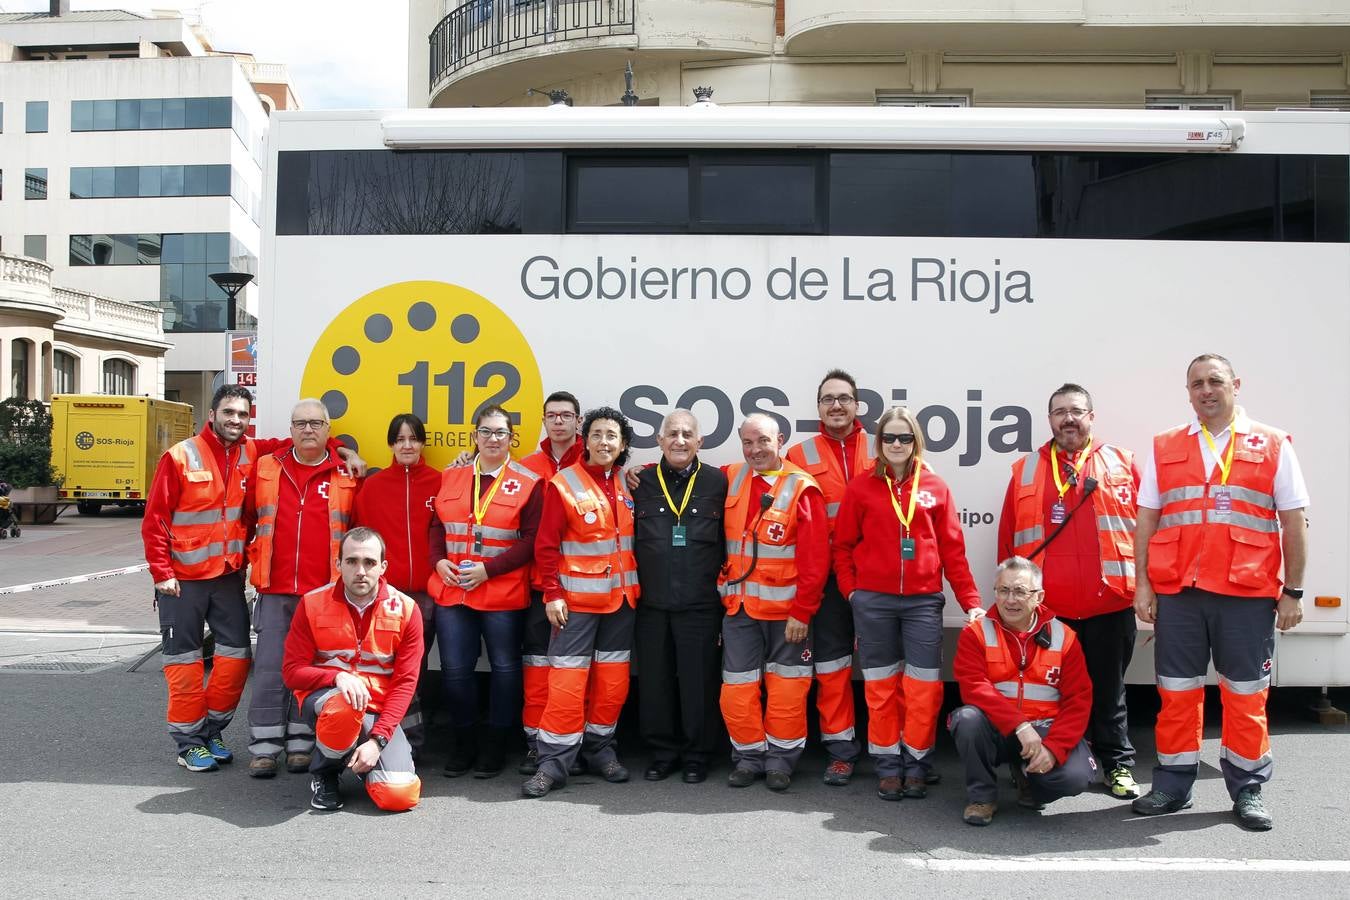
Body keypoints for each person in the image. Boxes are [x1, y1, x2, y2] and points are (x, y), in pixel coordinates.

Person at [1131, 354, 1308, 831]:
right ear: (1187, 392)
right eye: (1196, 384)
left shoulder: (1271, 443)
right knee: (1176, 692)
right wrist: (1143, 584)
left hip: (1247, 592)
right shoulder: (1166, 444)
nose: (1206, 390)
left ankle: (1248, 789)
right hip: (1180, 591)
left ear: (1235, 384)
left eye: (1215, 381)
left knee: (1246, 695)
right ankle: (1172, 784)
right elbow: (1147, 516)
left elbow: (1292, 520)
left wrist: (1292, 591)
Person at [997, 383, 1142, 800]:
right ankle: (1037, 766)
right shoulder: (1025, 470)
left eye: (1076, 410)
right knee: (1045, 697)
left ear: (1091, 417)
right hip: (1047, 611)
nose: (1068, 418)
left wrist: (1150, 590)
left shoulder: (1121, 464)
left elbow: (1147, 531)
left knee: (1108, 692)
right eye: (1059, 411)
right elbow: (1009, 541)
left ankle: (1117, 765)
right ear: (1049, 421)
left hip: (1109, 603)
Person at [834, 407, 983, 801]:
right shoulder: (861, 487)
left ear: (916, 441)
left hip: (921, 604)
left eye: (904, 438)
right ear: (878, 443)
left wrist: (971, 602)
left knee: (924, 689)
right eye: (889, 438)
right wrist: (853, 592)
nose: (896, 445)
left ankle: (917, 763)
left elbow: (953, 551)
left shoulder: (935, 486)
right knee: (881, 689)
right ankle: (887, 766)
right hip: (874, 603)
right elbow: (843, 546)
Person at [522, 406, 641, 798]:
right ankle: (553, 761)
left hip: (622, 603)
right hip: (575, 604)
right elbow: (545, 546)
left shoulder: (628, 482)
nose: (604, 442)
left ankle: (599, 749)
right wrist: (552, 594)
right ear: (584, 440)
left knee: (612, 684)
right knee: (567, 684)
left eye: (612, 436)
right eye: (597, 435)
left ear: (622, 444)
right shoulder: (564, 483)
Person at [141, 385, 258, 772]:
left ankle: (211, 731)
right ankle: (189, 741)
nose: (235, 420)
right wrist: (162, 573)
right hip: (182, 580)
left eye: (242, 414)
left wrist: (341, 445)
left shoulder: (252, 451)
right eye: (228, 412)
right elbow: (155, 520)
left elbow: (301, 437)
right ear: (212, 415)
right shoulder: (180, 456)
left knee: (237, 655)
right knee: (185, 662)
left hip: (226, 576)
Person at [246, 399, 360, 779]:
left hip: (322, 595)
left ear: (329, 429)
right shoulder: (267, 466)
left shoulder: (345, 473)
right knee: (268, 669)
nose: (307, 429)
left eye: (316, 423)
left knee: (310, 671)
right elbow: (249, 520)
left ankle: (301, 741)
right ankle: (264, 747)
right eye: (300, 423)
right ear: (290, 428)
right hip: (275, 590)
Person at [429, 406, 543, 779]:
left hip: (501, 593)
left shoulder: (529, 481)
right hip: (453, 591)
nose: (493, 439)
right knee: (455, 672)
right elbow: (435, 526)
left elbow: (531, 542)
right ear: (474, 436)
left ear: (512, 439)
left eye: (501, 433)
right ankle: (464, 745)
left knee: (506, 670)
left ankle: (495, 746)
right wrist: (437, 561)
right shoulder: (453, 474)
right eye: (486, 432)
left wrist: (487, 570)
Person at [720, 413, 829, 792]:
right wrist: (642, 470)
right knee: (737, 689)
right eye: (747, 443)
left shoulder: (802, 488)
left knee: (787, 689)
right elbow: (684, 470)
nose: (755, 450)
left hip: (787, 615)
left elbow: (816, 560)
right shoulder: (731, 475)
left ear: (780, 440)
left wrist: (803, 611)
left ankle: (782, 761)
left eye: (763, 441)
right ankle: (748, 757)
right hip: (740, 610)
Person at [949, 556, 1098, 826]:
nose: (1010, 600)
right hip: (999, 730)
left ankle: (1030, 779)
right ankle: (982, 797)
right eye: (1003, 590)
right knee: (966, 719)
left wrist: (1053, 749)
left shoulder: (1065, 637)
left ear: (1039, 596)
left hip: (1045, 729)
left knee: (1074, 778)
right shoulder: (976, 633)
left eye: (1020, 591)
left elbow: (1079, 700)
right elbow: (974, 687)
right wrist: (1019, 725)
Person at [282, 527, 423, 812]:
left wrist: (378, 740)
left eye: (369, 562)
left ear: (382, 567)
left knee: (400, 796)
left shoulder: (407, 609)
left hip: (377, 709)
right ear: (338, 565)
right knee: (345, 707)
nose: (361, 570)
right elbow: (292, 672)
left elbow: (405, 683)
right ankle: (325, 773)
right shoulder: (311, 604)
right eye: (352, 561)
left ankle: (362, 760)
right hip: (330, 701)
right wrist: (337, 676)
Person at [632, 409, 728, 784]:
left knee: (698, 683)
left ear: (700, 441)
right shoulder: (639, 481)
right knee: (655, 683)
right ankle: (662, 752)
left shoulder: (717, 482)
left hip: (700, 604)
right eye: (672, 433)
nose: (680, 440)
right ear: (659, 440)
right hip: (652, 604)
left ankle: (697, 755)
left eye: (688, 434)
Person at [785, 369, 866, 785]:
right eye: (828, 399)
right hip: (829, 580)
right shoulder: (799, 456)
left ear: (857, 404)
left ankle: (904, 753)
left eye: (844, 398)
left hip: (879, 577)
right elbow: (751, 472)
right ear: (818, 407)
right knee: (832, 667)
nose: (837, 405)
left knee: (891, 669)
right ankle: (841, 751)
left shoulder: (886, 445)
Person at [351, 413, 441, 759]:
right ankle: (383, 737)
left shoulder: (440, 481)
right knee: (384, 668)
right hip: (385, 596)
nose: (407, 445)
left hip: (426, 594)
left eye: (414, 439)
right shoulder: (372, 486)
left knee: (413, 670)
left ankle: (406, 741)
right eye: (400, 439)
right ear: (391, 443)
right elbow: (359, 541)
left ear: (422, 443)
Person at [517, 390, 584, 775]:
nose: (559, 421)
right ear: (543, 421)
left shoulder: (592, 463)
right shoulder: (526, 466)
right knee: (538, 667)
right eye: (552, 415)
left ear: (578, 422)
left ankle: (572, 744)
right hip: (539, 587)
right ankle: (535, 743)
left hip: (582, 589)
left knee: (574, 673)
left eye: (566, 415)